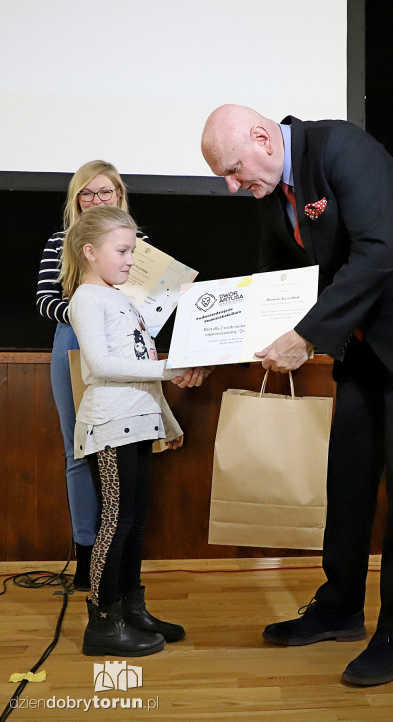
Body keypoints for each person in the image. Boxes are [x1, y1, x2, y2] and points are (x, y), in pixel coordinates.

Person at [201, 104, 393, 686]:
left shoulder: (340, 149)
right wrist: (217, 347)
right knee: (348, 474)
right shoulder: (272, 188)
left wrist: (305, 336)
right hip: (363, 337)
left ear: (261, 137)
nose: (233, 186)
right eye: (223, 177)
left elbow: (379, 251)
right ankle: (340, 608)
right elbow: (274, 278)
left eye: (233, 170)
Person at [61, 205, 210, 656]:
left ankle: (131, 609)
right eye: (123, 251)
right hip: (110, 425)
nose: (131, 260)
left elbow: (141, 370)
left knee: (135, 521)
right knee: (116, 522)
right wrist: (169, 367)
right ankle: (103, 623)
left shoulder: (122, 298)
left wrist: (168, 418)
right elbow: (100, 365)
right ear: (90, 252)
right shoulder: (86, 298)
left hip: (139, 421)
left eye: (133, 251)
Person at [36, 160, 141, 590]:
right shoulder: (61, 242)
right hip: (73, 342)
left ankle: (121, 568)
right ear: (76, 200)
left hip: (128, 344)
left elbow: (154, 301)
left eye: (106, 192)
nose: (97, 200)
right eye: (88, 193)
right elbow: (45, 300)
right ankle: (86, 557)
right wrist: (90, 311)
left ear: (119, 196)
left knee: (127, 452)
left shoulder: (139, 243)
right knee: (78, 451)